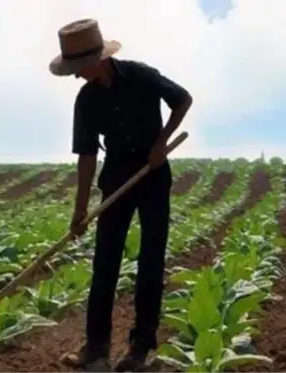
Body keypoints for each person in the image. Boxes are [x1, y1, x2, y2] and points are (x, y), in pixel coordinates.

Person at [49, 19, 193, 373]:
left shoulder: (142, 76)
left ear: (97, 59)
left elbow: (183, 99)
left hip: (153, 173)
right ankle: (96, 348)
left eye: (78, 68)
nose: (76, 75)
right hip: (115, 178)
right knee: (105, 264)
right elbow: (86, 157)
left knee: (150, 261)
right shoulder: (85, 101)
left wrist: (161, 144)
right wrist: (80, 210)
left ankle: (140, 347)